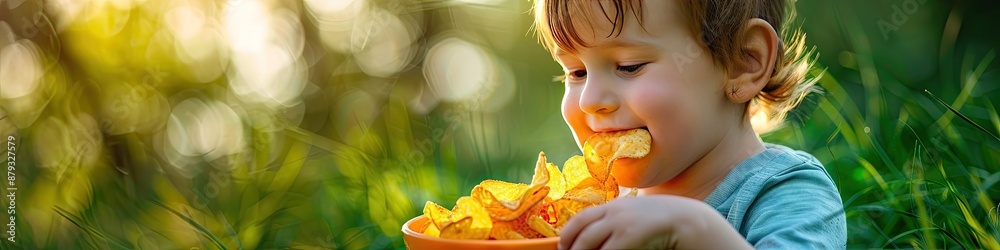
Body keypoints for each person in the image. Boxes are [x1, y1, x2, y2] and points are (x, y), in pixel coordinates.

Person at [531, 0, 847, 249]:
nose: (589, 100)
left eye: (629, 66)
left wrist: (691, 229)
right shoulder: (597, 203)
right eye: (576, 72)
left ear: (743, 61)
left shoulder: (785, 191)